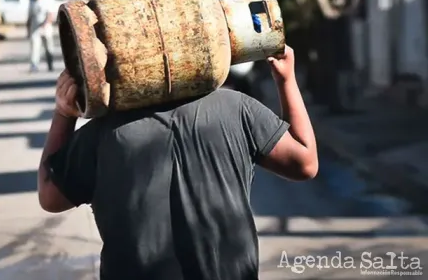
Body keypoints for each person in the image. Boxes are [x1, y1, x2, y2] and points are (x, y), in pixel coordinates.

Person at [37, 46, 317, 280]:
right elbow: (305, 163)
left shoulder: (102, 133)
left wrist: (64, 113)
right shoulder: (237, 108)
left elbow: (50, 196)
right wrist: (286, 80)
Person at [27, 0, 57, 72]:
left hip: (46, 28)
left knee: (48, 47)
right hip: (35, 28)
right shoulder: (33, 1)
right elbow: (30, 16)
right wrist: (28, 28)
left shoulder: (48, 0)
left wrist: (46, 23)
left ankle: (50, 63)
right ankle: (34, 64)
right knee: (35, 46)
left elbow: (51, 14)